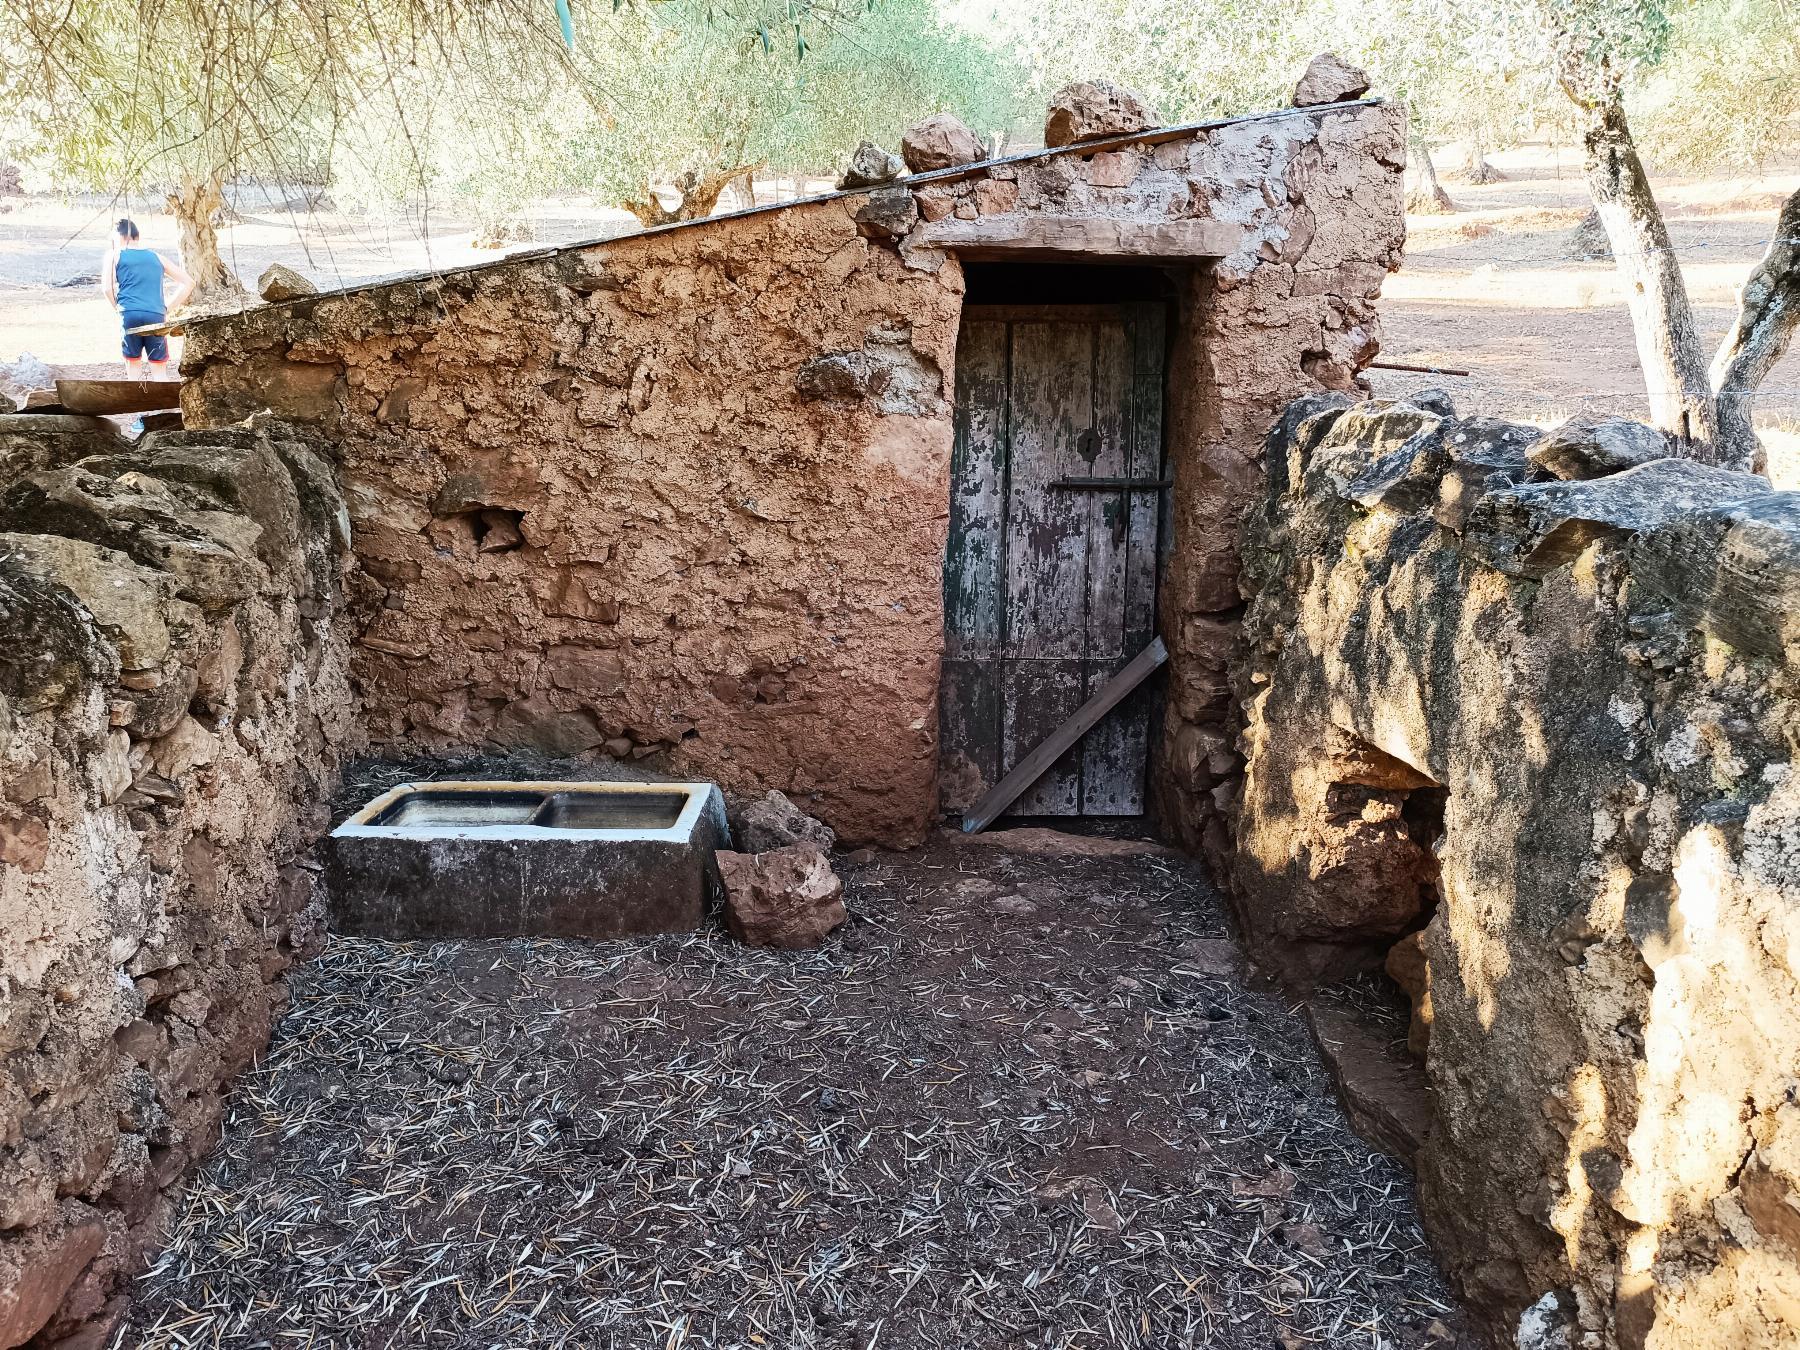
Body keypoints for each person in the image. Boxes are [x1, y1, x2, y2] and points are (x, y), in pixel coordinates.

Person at [101, 218, 193, 379]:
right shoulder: (157, 257)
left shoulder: (115, 255)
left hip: (129, 313)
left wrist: (117, 308)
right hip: (155, 315)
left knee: (133, 363)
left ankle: (133, 401)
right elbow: (189, 283)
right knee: (158, 366)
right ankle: (162, 401)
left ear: (119, 236)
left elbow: (107, 288)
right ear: (137, 236)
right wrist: (166, 308)